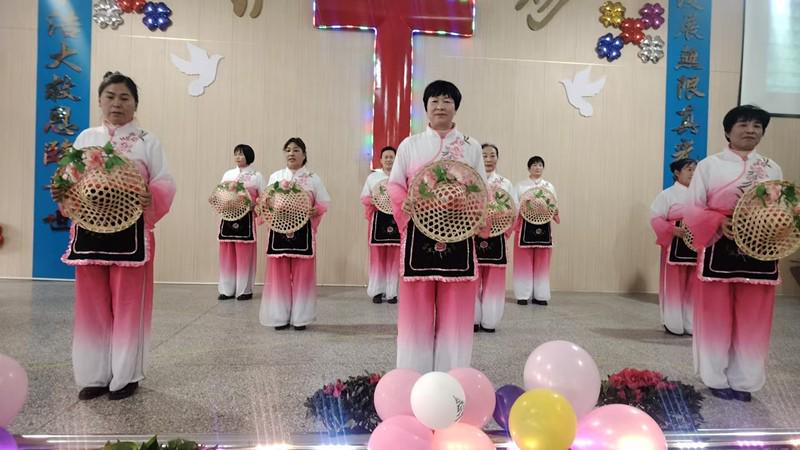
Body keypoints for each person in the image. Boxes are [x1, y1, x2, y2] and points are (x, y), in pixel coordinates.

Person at [52, 71, 176, 400]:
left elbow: (164, 183)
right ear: (99, 101)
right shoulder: (85, 138)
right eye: (110, 97)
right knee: (90, 303)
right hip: (90, 231)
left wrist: (151, 196)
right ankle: (93, 376)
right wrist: (64, 194)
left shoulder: (148, 141)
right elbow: (68, 181)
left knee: (128, 303)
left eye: (124, 97)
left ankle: (125, 375)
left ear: (135, 103)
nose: (116, 104)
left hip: (132, 233)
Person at [387, 80, 487, 373]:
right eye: (434, 101)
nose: (440, 106)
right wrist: (404, 204)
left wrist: (477, 217)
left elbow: (482, 189)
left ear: (456, 107)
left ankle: (452, 373)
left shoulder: (471, 146)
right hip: (419, 231)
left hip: (460, 231)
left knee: (457, 307)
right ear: (426, 108)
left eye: (447, 101)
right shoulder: (410, 144)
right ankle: (412, 373)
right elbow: (395, 184)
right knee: (415, 308)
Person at [684, 105, 782, 402]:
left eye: (757, 126)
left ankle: (745, 380)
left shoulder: (772, 168)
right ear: (728, 131)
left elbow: (780, 209)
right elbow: (692, 209)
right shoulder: (709, 166)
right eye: (743, 124)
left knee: (755, 316)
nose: (750, 130)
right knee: (714, 314)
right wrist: (717, 221)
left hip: (761, 248)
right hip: (719, 246)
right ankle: (715, 377)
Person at [259, 137, 331, 331]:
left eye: (296, 150)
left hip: (303, 232)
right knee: (278, 275)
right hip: (278, 231)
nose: (291, 153)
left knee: (303, 275)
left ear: (304, 154)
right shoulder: (276, 176)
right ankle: (279, 317)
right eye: (288, 150)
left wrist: (316, 210)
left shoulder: (313, 178)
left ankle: (301, 318)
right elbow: (265, 202)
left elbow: (323, 202)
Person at [649, 158, 698, 336]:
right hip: (674, 245)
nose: (693, 173)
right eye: (689, 169)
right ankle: (673, 323)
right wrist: (671, 229)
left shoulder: (701, 195)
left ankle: (691, 323)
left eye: (695, 169)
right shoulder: (667, 195)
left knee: (694, 284)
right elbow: (655, 218)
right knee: (673, 284)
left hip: (696, 245)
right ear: (677, 173)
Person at [474, 143, 516, 333]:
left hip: (497, 235)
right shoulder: (470, 180)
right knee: (472, 279)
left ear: (498, 158)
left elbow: (513, 210)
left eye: (492, 155)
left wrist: (503, 229)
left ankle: (490, 321)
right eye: (484, 155)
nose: (488, 159)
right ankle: (472, 319)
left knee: (494, 282)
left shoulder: (505, 183)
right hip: (473, 235)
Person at [215, 144, 265, 301]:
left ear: (249, 156)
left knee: (245, 255)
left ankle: (245, 290)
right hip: (228, 218)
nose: (237, 157)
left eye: (241, 154)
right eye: (236, 154)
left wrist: (255, 204)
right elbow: (220, 193)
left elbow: (264, 198)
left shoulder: (257, 176)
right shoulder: (228, 174)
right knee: (226, 254)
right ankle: (226, 290)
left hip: (246, 219)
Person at [513, 156, 559, 306]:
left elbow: (554, 206)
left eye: (540, 165)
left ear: (543, 168)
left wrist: (552, 210)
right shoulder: (520, 186)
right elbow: (514, 206)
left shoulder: (549, 186)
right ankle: (522, 295)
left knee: (542, 262)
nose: (537, 167)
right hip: (524, 227)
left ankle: (540, 295)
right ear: (529, 168)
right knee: (523, 261)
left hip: (543, 227)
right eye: (534, 165)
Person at [359, 146, 401, 304]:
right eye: (386, 157)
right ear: (381, 160)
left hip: (396, 220)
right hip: (378, 220)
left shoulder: (401, 177)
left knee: (395, 258)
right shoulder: (373, 178)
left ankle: (392, 293)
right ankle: (377, 291)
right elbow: (364, 197)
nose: (389, 160)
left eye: (392, 157)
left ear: (396, 159)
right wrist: (375, 200)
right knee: (377, 258)